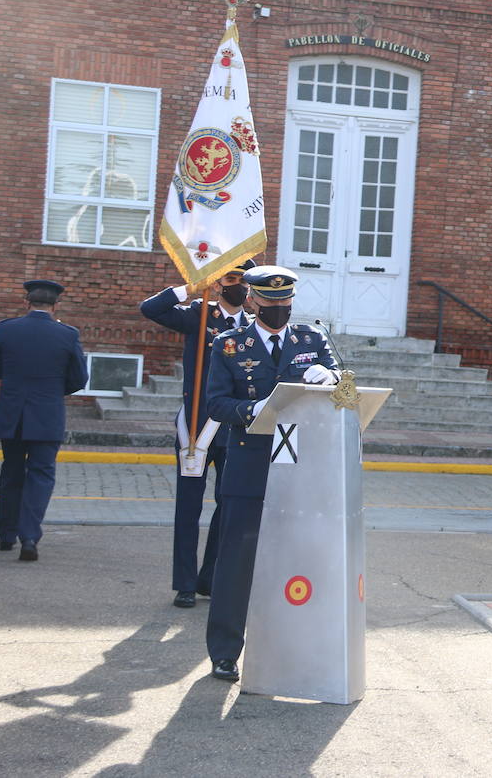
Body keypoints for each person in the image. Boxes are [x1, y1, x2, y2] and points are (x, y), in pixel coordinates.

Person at [205, 266, 338, 683]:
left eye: (285, 303)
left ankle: (297, 645)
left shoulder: (311, 339)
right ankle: (225, 651)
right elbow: (215, 405)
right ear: (252, 300)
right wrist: (251, 411)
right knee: (237, 559)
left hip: (301, 465)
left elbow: (346, 384)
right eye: (270, 303)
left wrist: (333, 377)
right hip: (247, 461)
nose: (279, 309)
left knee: (303, 557)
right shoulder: (229, 345)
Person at [140, 258, 256, 609]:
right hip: (198, 425)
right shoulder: (199, 315)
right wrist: (191, 287)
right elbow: (151, 309)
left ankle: (211, 577)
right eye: (234, 278)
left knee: (229, 504)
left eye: (245, 280)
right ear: (218, 283)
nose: (242, 286)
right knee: (189, 507)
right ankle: (186, 583)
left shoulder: (252, 326)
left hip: (235, 426)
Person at [0, 280, 89, 561]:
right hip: (47, 415)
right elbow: (79, 378)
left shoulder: (6, 329)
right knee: (41, 476)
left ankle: (6, 536)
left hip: (12, 415)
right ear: (55, 305)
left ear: (27, 302)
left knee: (11, 472)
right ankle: (29, 537)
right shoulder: (67, 334)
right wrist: (54, 391)